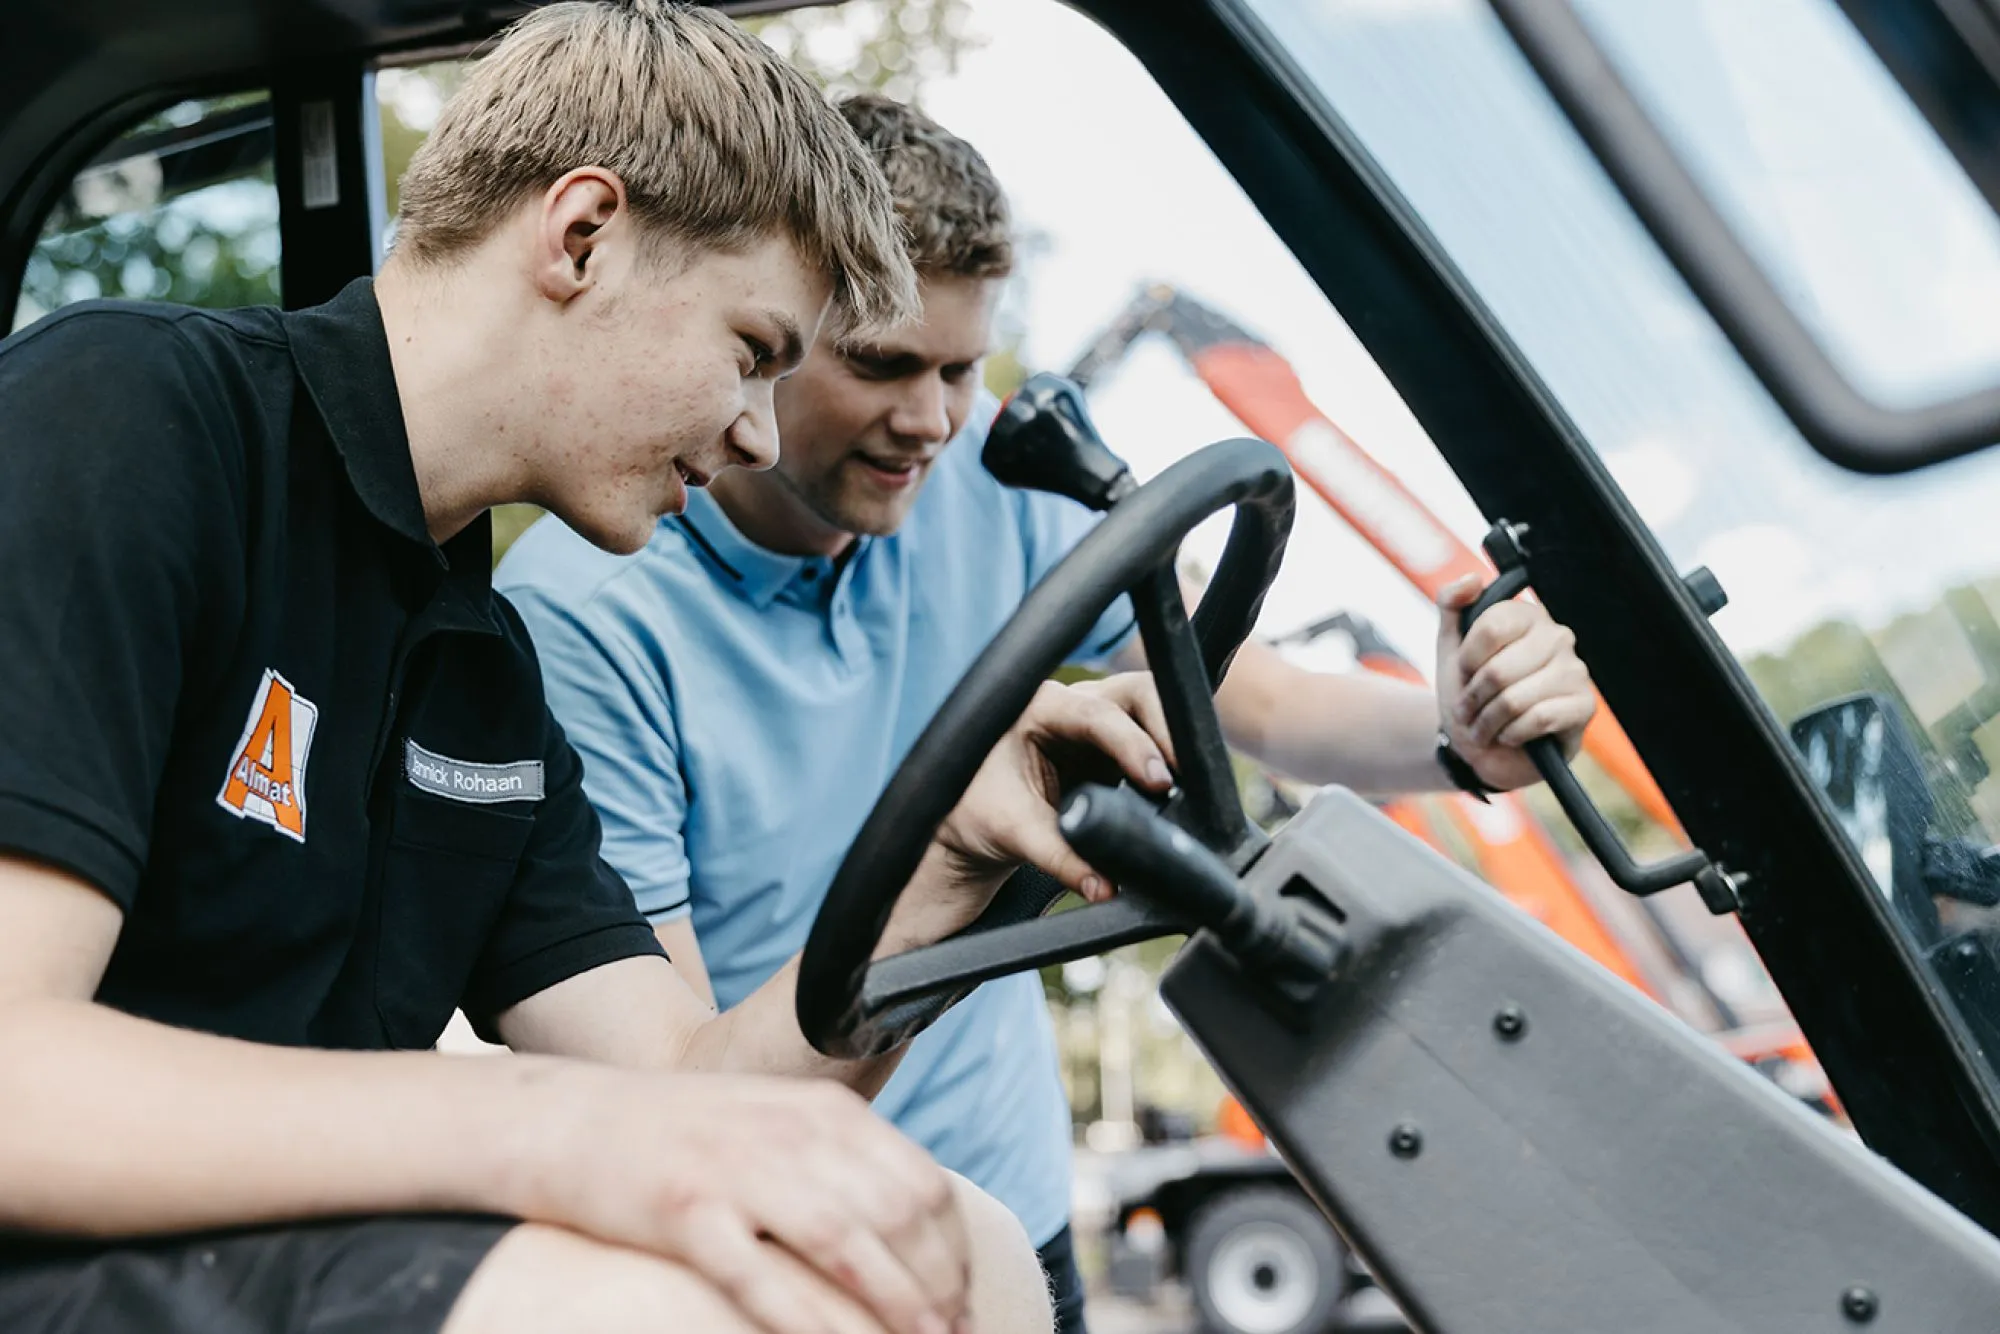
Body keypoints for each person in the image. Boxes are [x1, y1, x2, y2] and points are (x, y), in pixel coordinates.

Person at [0, 7, 1169, 1332]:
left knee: (965, 1246)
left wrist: (945, 870)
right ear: (581, 237)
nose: (752, 429)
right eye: (751, 352)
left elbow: (695, 1100)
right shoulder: (135, 422)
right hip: (61, 1261)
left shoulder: (482, 673)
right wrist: (542, 1126)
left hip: (286, 1261)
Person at [496, 93, 1598, 1334]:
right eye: (881, 364)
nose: (928, 422)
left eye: (960, 370)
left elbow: (1253, 695)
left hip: (1011, 1221)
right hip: (796, 1257)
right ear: (769, 332)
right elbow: (669, 1083)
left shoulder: (989, 489)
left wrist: (1456, 737)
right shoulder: (587, 614)